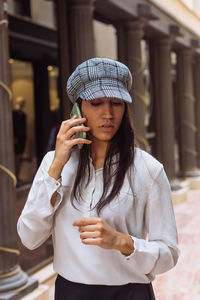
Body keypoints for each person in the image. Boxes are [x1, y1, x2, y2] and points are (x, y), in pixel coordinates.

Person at [17, 58, 179, 300]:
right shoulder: (54, 164)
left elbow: (169, 254)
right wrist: (56, 168)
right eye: (96, 103)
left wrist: (122, 242)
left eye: (116, 103)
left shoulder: (148, 169)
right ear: (78, 109)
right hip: (70, 292)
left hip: (130, 294)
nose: (108, 114)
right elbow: (29, 238)